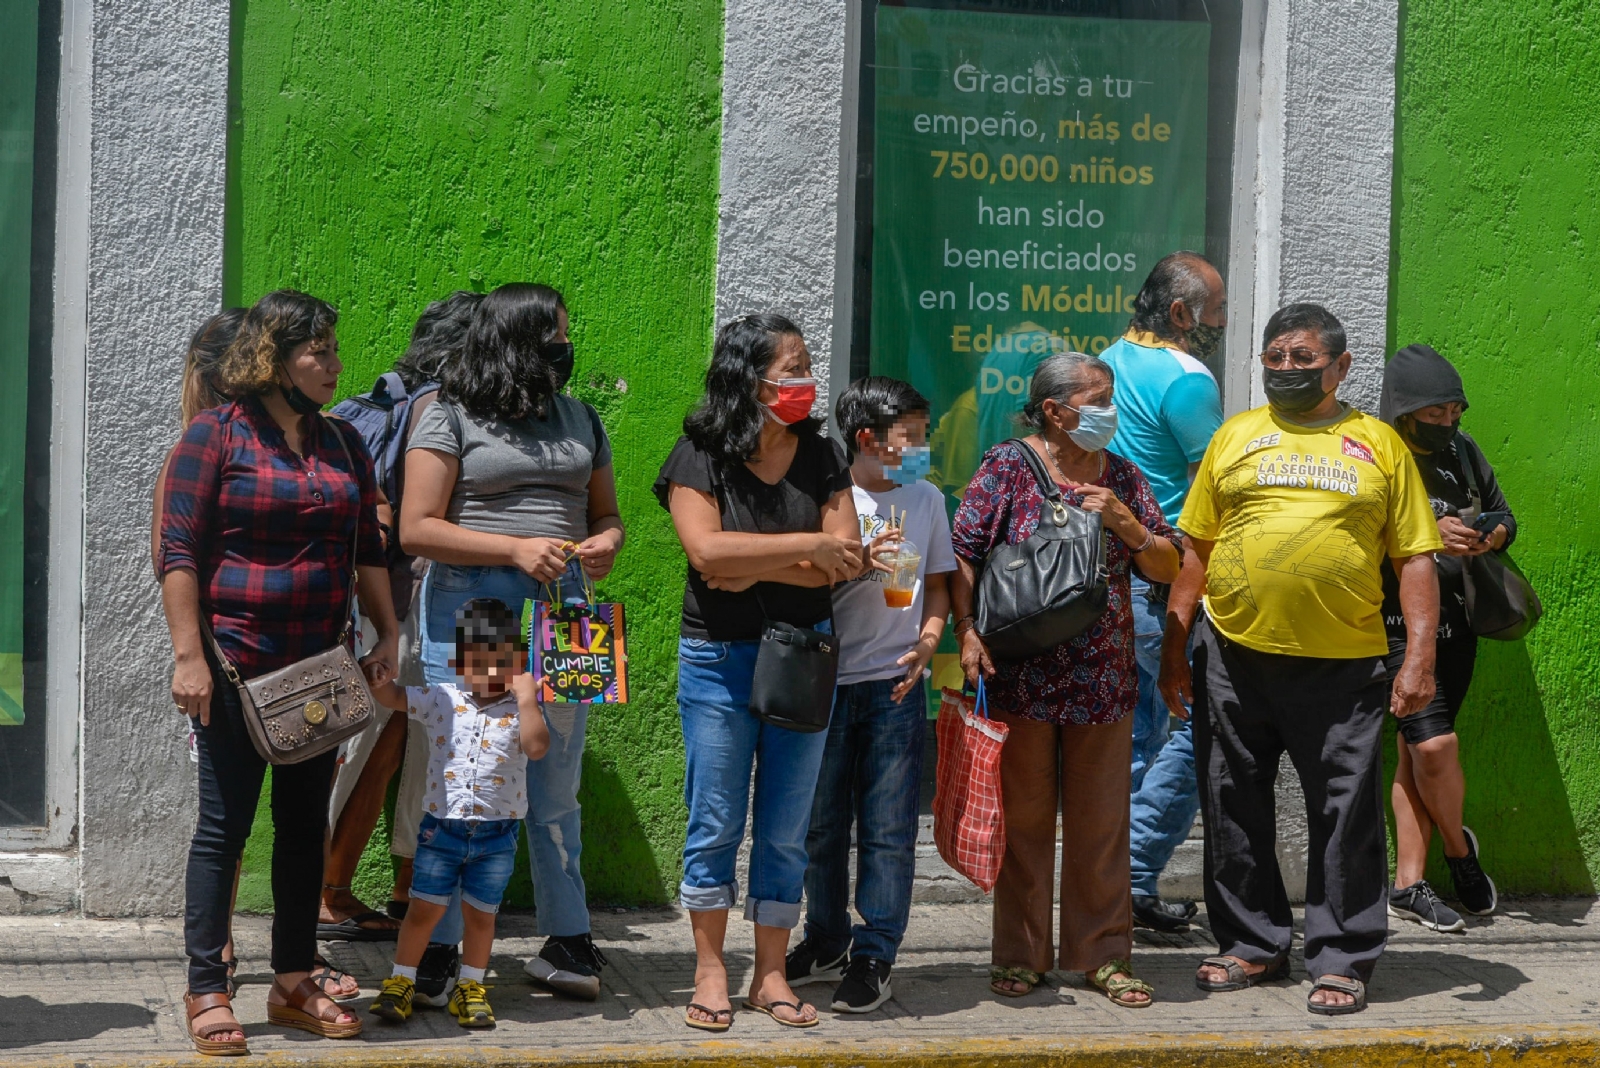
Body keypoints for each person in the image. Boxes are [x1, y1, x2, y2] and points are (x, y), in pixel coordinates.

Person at [1160, 303, 1443, 1015]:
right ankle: (1251, 944)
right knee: (1231, 801)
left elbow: (1414, 557)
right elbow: (1197, 547)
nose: (1287, 368)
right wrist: (1175, 643)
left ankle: (1343, 955)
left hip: (1344, 666)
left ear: (1341, 366)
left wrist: (1419, 659)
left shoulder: (1379, 444)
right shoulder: (1235, 436)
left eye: (1302, 357)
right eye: (1275, 357)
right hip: (1233, 654)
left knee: (1344, 813)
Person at [160, 289, 400, 1052]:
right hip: (232, 669)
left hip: (319, 672)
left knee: (303, 828)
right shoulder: (216, 437)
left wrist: (387, 630)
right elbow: (178, 552)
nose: (333, 364)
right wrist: (189, 656)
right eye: (316, 351)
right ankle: (206, 987)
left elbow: (368, 547)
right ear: (273, 357)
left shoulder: (342, 446)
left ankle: (294, 982)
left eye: (333, 348)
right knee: (222, 831)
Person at [400, 282, 623, 1002]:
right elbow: (417, 529)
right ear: (519, 340)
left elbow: (609, 514)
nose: (567, 345)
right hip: (481, 609)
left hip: (569, 615)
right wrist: (516, 547)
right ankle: (436, 948)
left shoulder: (581, 417)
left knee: (558, 785)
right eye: (556, 333)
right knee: (467, 785)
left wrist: (604, 544)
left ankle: (567, 938)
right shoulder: (448, 416)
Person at [948, 352, 1179, 1009]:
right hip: (1019, 673)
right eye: (1097, 398)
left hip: (1102, 679)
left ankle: (1104, 956)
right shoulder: (1004, 467)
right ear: (1054, 410)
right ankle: (1021, 957)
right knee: (1022, 824)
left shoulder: (1122, 476)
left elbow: (1166, 564)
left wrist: (1125, 523)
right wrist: (966, 630)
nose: (1109, 411)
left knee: (1100, 824)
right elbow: (963, 551)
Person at [654, 313, 862, 1031]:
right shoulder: (698, 453)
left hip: (802, 656)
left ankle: (769, 973)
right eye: (792, 367)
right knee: (715, 820)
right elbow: (706, 555)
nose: (805, 381)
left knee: (785, 827)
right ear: (748, 378)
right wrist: (799, 548)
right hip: (718, 658)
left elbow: (847, 558)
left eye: (806, 365)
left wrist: (753, 564)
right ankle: (711, 970)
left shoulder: (822, 454)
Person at [786, 376, 956, 1013]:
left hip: (895, 685)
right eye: (913, 435)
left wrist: (929, 638)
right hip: (827, 681)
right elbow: (799, 586)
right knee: (821, 826)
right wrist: (856, 561)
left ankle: (875, 950)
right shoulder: (829, 498)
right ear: (868, 438)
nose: (923, 446)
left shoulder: (926, 499)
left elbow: (935, 584)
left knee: (887, 827)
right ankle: (824, 938)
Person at [320, 291, 484, 951]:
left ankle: (361, 890)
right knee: (406, 749)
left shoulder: (371, 404)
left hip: (374, 605)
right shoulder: (441, 410)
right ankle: (358, 891)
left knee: (384, 748)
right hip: (418, 602)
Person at [1099, 251, 1227, 933]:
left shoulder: (1104, 360)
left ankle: (1116, 886)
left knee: (1137, 741)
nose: (1225, 323)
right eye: (1219, 310)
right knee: (1198, 729)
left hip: (1111, 581)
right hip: (1165, 579)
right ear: (1182, 314)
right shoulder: (1186, 378)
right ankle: (1131, 873)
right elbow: (1220, 487)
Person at [367, 598, 551, 1029]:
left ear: (517, 662)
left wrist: (527, 700)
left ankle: (470, 986)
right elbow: (393, 697)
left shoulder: (521, 709)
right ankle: (401, 981)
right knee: (423, 910)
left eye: (498, 664)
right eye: (475, 663)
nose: (486, 675)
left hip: (496, 837)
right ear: (457, 661)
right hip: (440, 833)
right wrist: (378, 678)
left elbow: (537, 747)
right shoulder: (441, 699)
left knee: (481, 916)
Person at [1379, 344, 1507, 931]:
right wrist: (1430, 533)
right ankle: (1459, 852)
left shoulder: (1463, 450)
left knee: (1415, 751)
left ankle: (1407, 883)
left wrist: (1490, 536)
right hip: (1396, 627)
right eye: (1435, 413)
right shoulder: (1378, 452)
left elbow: (1505, 514)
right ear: (1406, 410)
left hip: (1460, 622)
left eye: (1454, 412)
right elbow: (1358, 530)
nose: (1447, 423)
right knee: (1433, 746)